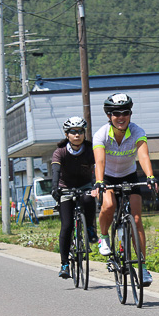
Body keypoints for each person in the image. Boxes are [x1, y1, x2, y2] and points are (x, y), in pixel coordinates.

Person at [92, 93, 158, 286]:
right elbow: (100, 160)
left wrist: (150, 176)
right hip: (107, 176)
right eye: (116, 113)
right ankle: (103, 237)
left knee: (137, 220)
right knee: (109, 205)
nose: (121, 117)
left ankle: (143, 268)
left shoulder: (137, 131)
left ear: (130, 114)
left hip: (129, 175)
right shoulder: (101, 134)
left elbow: (143, 156)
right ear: (109, 115)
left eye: (125, 113)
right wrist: (99, 181)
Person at [51, 116, 98, 279]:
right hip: (66, 188)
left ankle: (90, 228)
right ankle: (64, 264)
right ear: (67, 135)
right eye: (73, 132)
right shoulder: (60, 152)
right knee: (67, 226)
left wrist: (97, 185)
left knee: (88, 199)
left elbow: (97, 168)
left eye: (80, 132)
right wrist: (55, 187)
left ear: (84, 133)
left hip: (85, 186)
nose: (77, 135)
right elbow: (56, 171)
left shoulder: (90, 149)